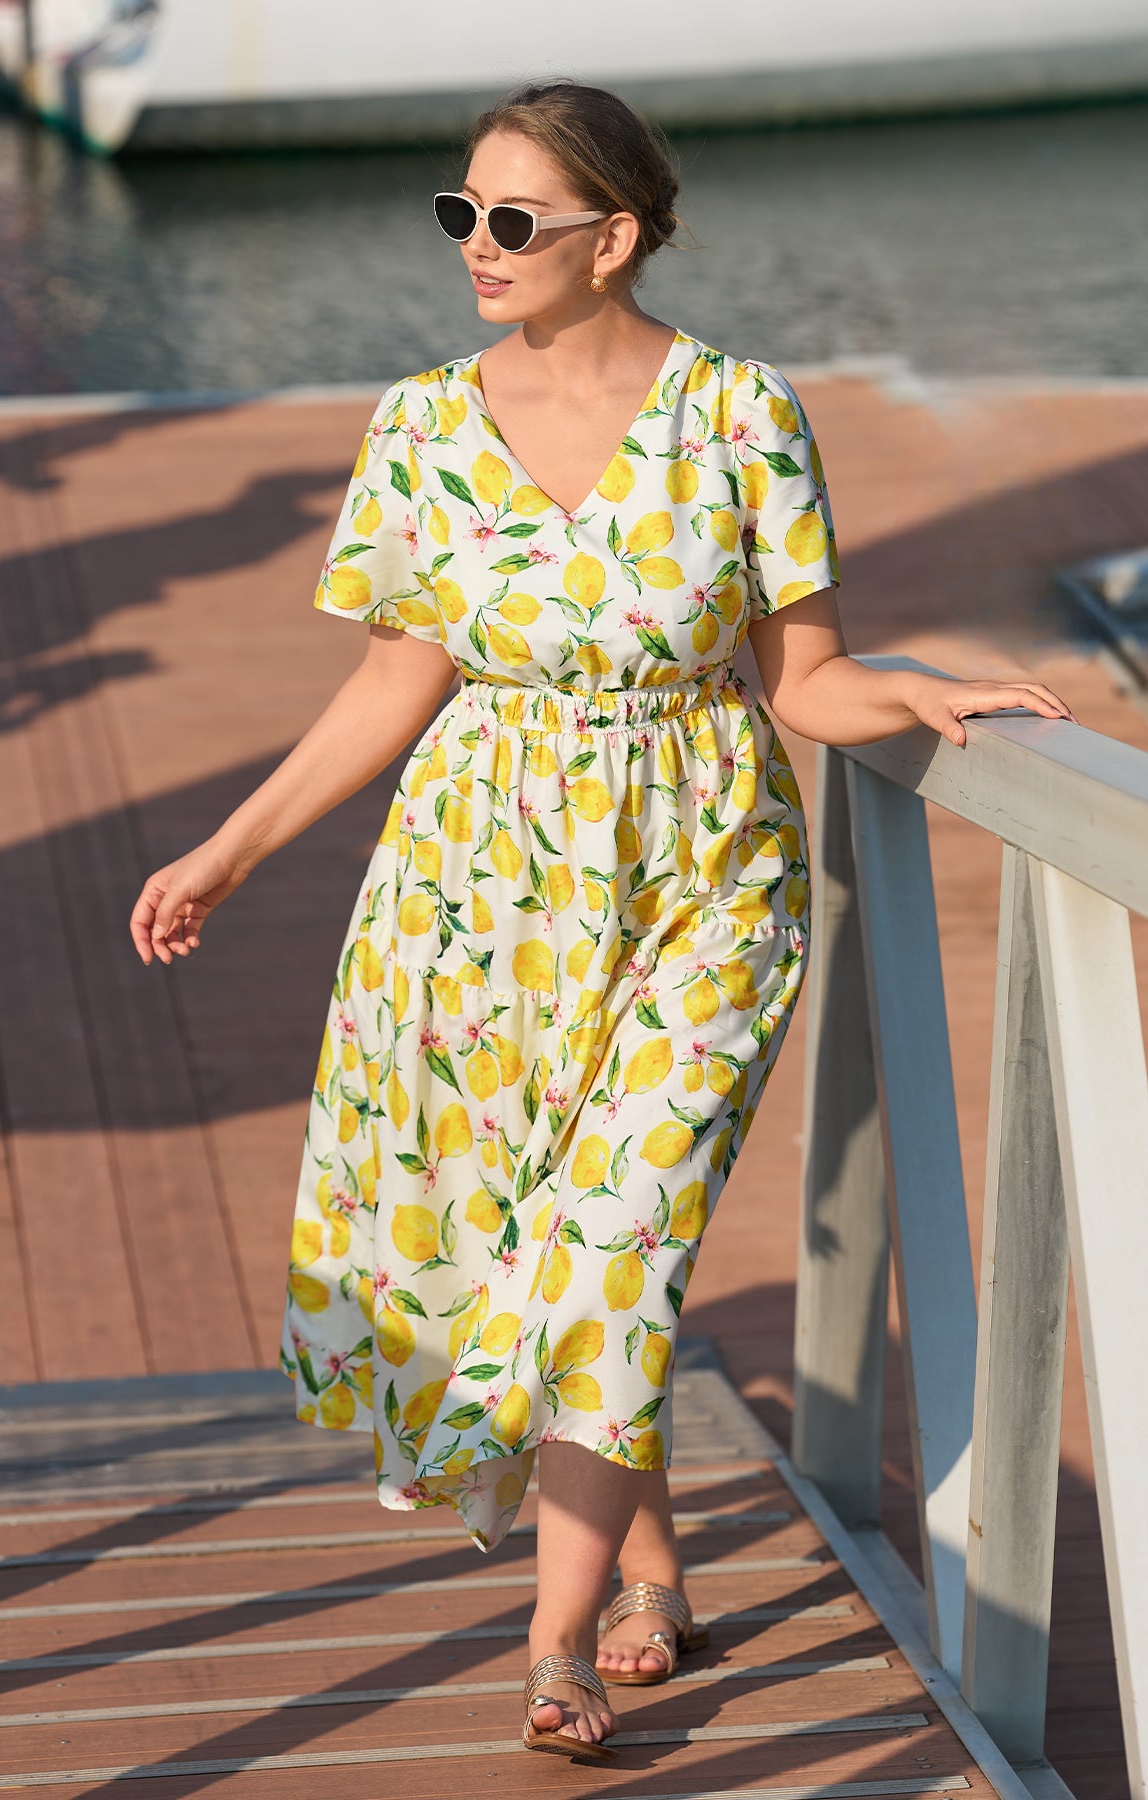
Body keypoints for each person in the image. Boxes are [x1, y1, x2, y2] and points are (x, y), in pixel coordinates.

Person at [129, 79, 1074, 1764]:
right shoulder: (421, 425)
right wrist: (232, 848)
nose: (476, 247)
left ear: (614, 236)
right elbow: (397, 678)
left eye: (514, 220)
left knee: (617, 1231)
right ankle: (651, 1573)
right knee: (546, 1248)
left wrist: (924, 693)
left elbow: (806, 679)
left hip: (705, 885)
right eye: (461, 215)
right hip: (473, 899)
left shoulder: (740, 414)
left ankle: (553, 1644)